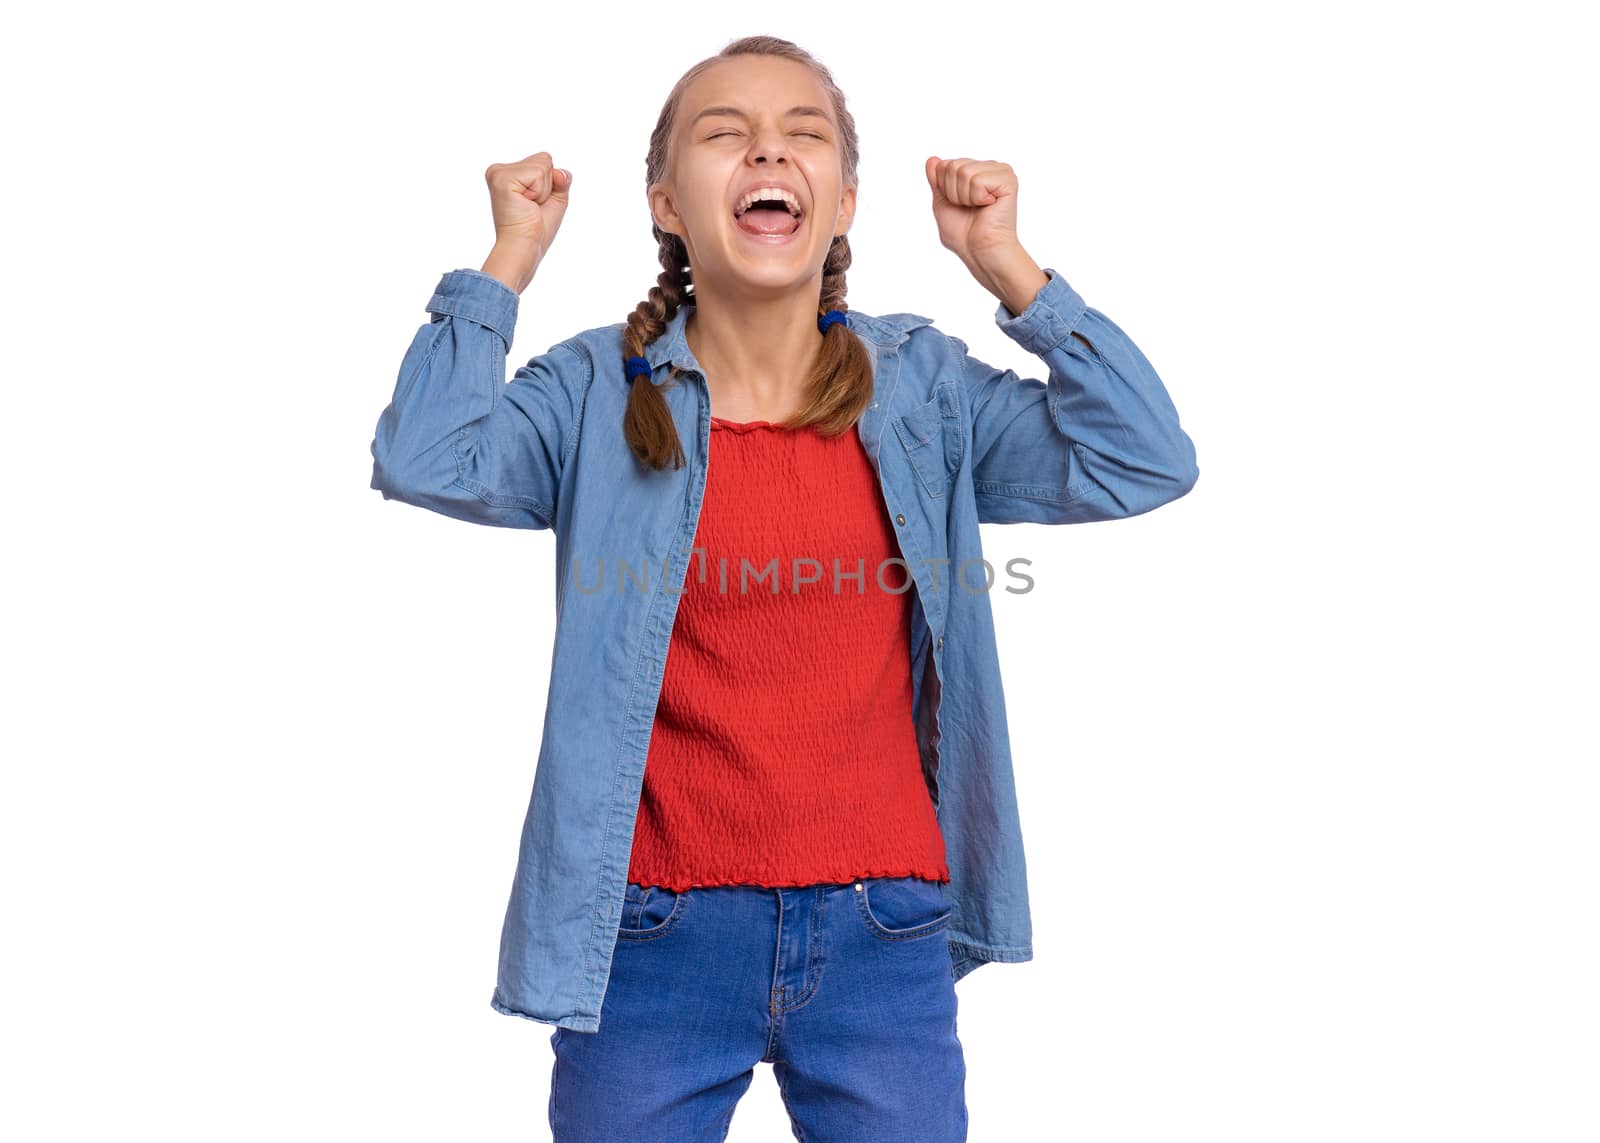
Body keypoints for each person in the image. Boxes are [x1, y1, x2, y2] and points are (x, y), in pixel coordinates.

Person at [370, 34, 1198, 1143]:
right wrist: (507, 257)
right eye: (724, 134)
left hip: (882, 937)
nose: (767, 148)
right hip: (650, 941)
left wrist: (1009, 269)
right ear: (666, 202)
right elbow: (427, 458)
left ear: (844, 199)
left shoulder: (923, 393)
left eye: (803, 133)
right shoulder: (591, 393)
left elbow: (1144, 458)